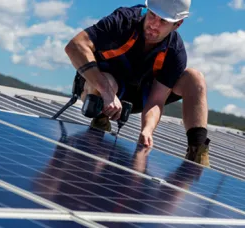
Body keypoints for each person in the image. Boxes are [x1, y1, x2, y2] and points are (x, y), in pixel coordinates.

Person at [64, 0, 211, 167]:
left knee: (195, 78)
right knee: (109, 82)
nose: (154, 25)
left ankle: (197, 152)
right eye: (152, 15)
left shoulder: (175, 52)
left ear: (177, 24)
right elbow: (75, 45)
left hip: (138, 97)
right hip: (100, 88)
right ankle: (100, 121)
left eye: (163, 21)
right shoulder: (123, 21)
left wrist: (147, 129)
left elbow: (156, 100)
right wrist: (106, 91)